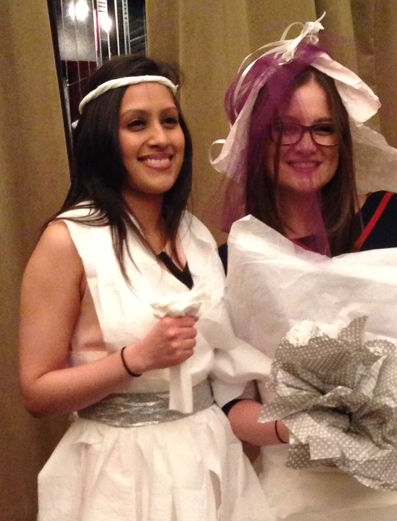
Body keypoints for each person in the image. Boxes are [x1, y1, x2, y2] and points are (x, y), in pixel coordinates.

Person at [212, 17, 397, 521]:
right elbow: (225, 402)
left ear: (344, 138)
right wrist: (300, 429)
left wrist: (395, 392)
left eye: (324, 128)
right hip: (299, 497)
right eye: (286, 128)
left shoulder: (392, 218)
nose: (307, 145)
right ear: (258, 139)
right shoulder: (234, 260)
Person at [18, 55, 275, 521]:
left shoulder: (195, 235)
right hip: (120, 478)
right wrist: (135, 359)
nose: (160, 138)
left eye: (170, 121)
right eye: (137, 124)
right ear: (102, 140)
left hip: (210, 460)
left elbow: (220, 360)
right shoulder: (68, 240)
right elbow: (37, 392)